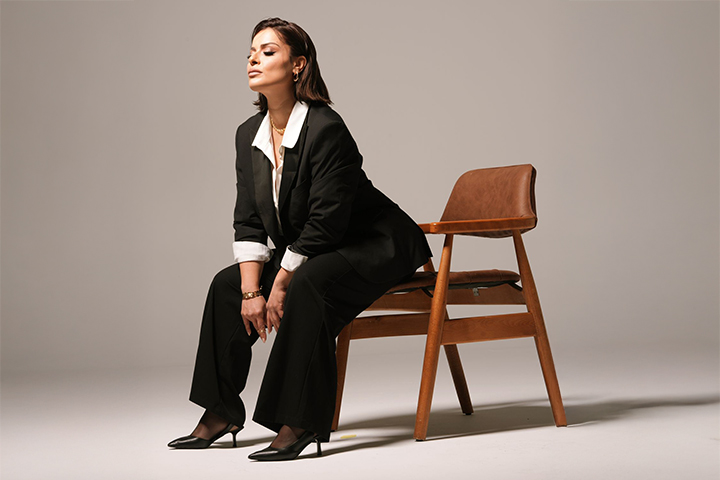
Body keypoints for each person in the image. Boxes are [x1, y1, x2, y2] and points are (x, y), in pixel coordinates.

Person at [167, 17, 431, 461]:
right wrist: (252, 291)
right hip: (317, 245)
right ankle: (220, 411)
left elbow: (327, 220)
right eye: (251, 52)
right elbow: (248, 219)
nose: (253, 59)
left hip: (373, 242)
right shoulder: (247, 135)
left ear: (298, 65)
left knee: (309, 285)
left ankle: (299, 420)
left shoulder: (326, 127)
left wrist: (280, 284)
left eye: (268, 51)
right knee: (227, 285)